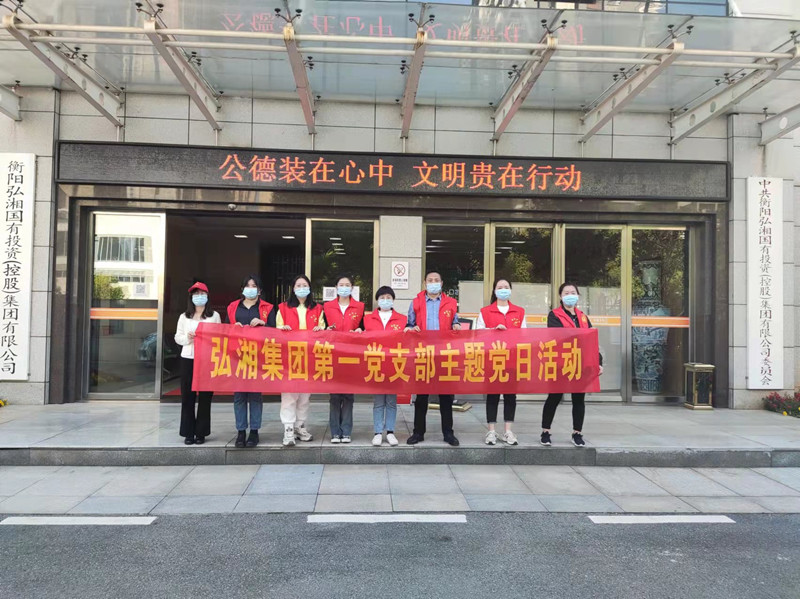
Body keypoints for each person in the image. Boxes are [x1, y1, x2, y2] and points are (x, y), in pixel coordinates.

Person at [540, 282, 603, 448]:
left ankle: (577, 433)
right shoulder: (554, 315)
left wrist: (598, 361)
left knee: (579, 399)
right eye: (566, 293)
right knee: (554, 397)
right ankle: (545, 431)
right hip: (561, 362)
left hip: (580, 363)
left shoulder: (583, 317)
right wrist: (580, 336)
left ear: (578, 295)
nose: (570, 295)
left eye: (573, 292)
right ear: (560, 297)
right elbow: (558, 336)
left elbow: (591, 340)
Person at [405, 270, 461, 446]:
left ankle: (448, 433)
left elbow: (455, 322)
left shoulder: (451, 303)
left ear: (441, 283)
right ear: (425, 283)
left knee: (446, 396)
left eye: (436, 280)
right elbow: (409, 324)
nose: (433, 282)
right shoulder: (416, 302)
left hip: (444, 354)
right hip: (423, 353)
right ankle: (418, 432)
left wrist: (457, 325)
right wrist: (411, 329)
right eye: (430, 280)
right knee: (422, 396)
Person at [277, 274, 325, 447]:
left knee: (305, 396)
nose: (302, 288)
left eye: (305, 285)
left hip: (309, 357)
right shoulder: (283, 308)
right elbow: (276, 330)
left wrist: (320, 329)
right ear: (293, 288)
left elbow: (323, 329)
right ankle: (288, 428)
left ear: (310, 288)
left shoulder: (317, 309)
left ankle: (300, 426)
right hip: (289, 357)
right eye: (298, 285)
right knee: (289, 394)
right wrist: (282, 329)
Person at [477, 278, 525, 446]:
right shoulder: (485, 312)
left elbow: (524, 335)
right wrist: (493, 331)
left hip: (512, 359)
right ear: (494, 291)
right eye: (500, 287)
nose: (503, 289)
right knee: (493, 395)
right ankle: (491, 431)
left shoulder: (519, 312)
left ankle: (508, 431)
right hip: (493, 359)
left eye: (506, 287)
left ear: (510, 290)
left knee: (510, 395)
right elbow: (478, 334)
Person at [227, 275, 273, 448]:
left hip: (258, 355)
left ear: (259, 290)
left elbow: (275, 331)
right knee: (239, 395)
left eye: (254, 286)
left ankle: (254, 431)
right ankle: (240, 431)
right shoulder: (233, 307)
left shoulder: (267, 308)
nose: (251, 289)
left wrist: (263, 323)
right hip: (237, 355)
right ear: (242, 289)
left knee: (255, 395)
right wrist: (234, 328)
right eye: (248, 286)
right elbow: (224, 329)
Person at [174, 280, 221, 445]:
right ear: (191, 297)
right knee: (187, 396)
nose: (199, 297)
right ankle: (188, 432)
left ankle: (201, 432)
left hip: (206, 359)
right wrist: (188, 338)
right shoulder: (184, 317)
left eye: (202, 294)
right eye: (196, 294)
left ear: (207, 296)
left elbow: (219, 337)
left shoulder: (214, 316)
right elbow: (177, 337)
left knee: (205, 397)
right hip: (188, 358)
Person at [323, 275, 365, 444]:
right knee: (334, 396)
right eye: (341, 284)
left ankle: (346, 431)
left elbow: (364, 328)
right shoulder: (327, 307)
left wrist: (360, 331)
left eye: (347, 285)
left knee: (348, 395)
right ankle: (335, 432)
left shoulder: (359, 307)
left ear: (352, 288)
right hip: (332, 354)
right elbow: (322, 327)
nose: (344, 287)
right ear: (336, 287)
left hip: (350, 355)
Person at [364, 285, 407, 446]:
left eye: (389, 297)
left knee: (391, 401)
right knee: (378, 401)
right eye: (382, 297)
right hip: (375, 364)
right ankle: (377, 432)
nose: (385, 300)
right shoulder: (368, 319)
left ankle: (390, 432)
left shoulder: (402, 319)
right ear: (377, 300)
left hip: (394, 364)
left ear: (393, 300)